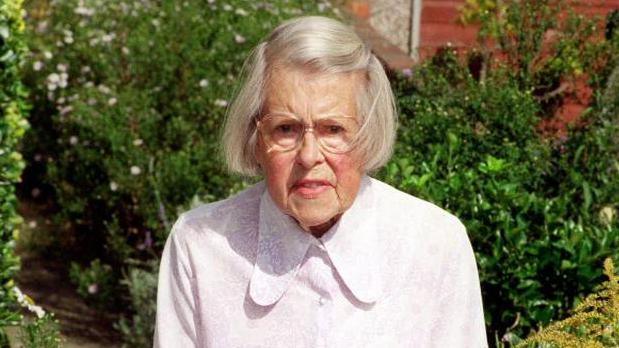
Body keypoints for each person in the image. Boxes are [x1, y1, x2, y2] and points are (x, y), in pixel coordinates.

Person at [154, 16, 487, 347]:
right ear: (255, 138)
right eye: (286, 128)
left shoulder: (435, 244)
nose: (309, 156)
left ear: (368, 135)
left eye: (333, 130)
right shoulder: (200, 245)